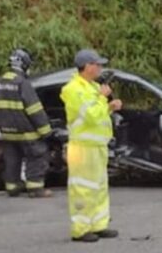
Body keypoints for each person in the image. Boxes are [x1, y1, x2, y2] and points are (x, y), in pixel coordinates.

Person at [61, 49, 123, 242]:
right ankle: (80, 228)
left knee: (99, 186)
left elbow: (99, 113)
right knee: (83, 188)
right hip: (82, 147)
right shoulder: (73, 89)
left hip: (97, 145)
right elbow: (90, 115)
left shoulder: (93, 87)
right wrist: (104, 98)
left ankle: (98, 224)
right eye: (98, 64)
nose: (100, 68)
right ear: (87, 66)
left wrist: (110, 107)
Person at [0, 48, 53, 198]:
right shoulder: (22, 83)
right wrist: (46, 132)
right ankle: (35, 188)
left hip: (7, 132)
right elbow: (34, 110)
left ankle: (12, 187)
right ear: (24, 65)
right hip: (26, 132)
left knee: (12, 159)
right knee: (37, 154)